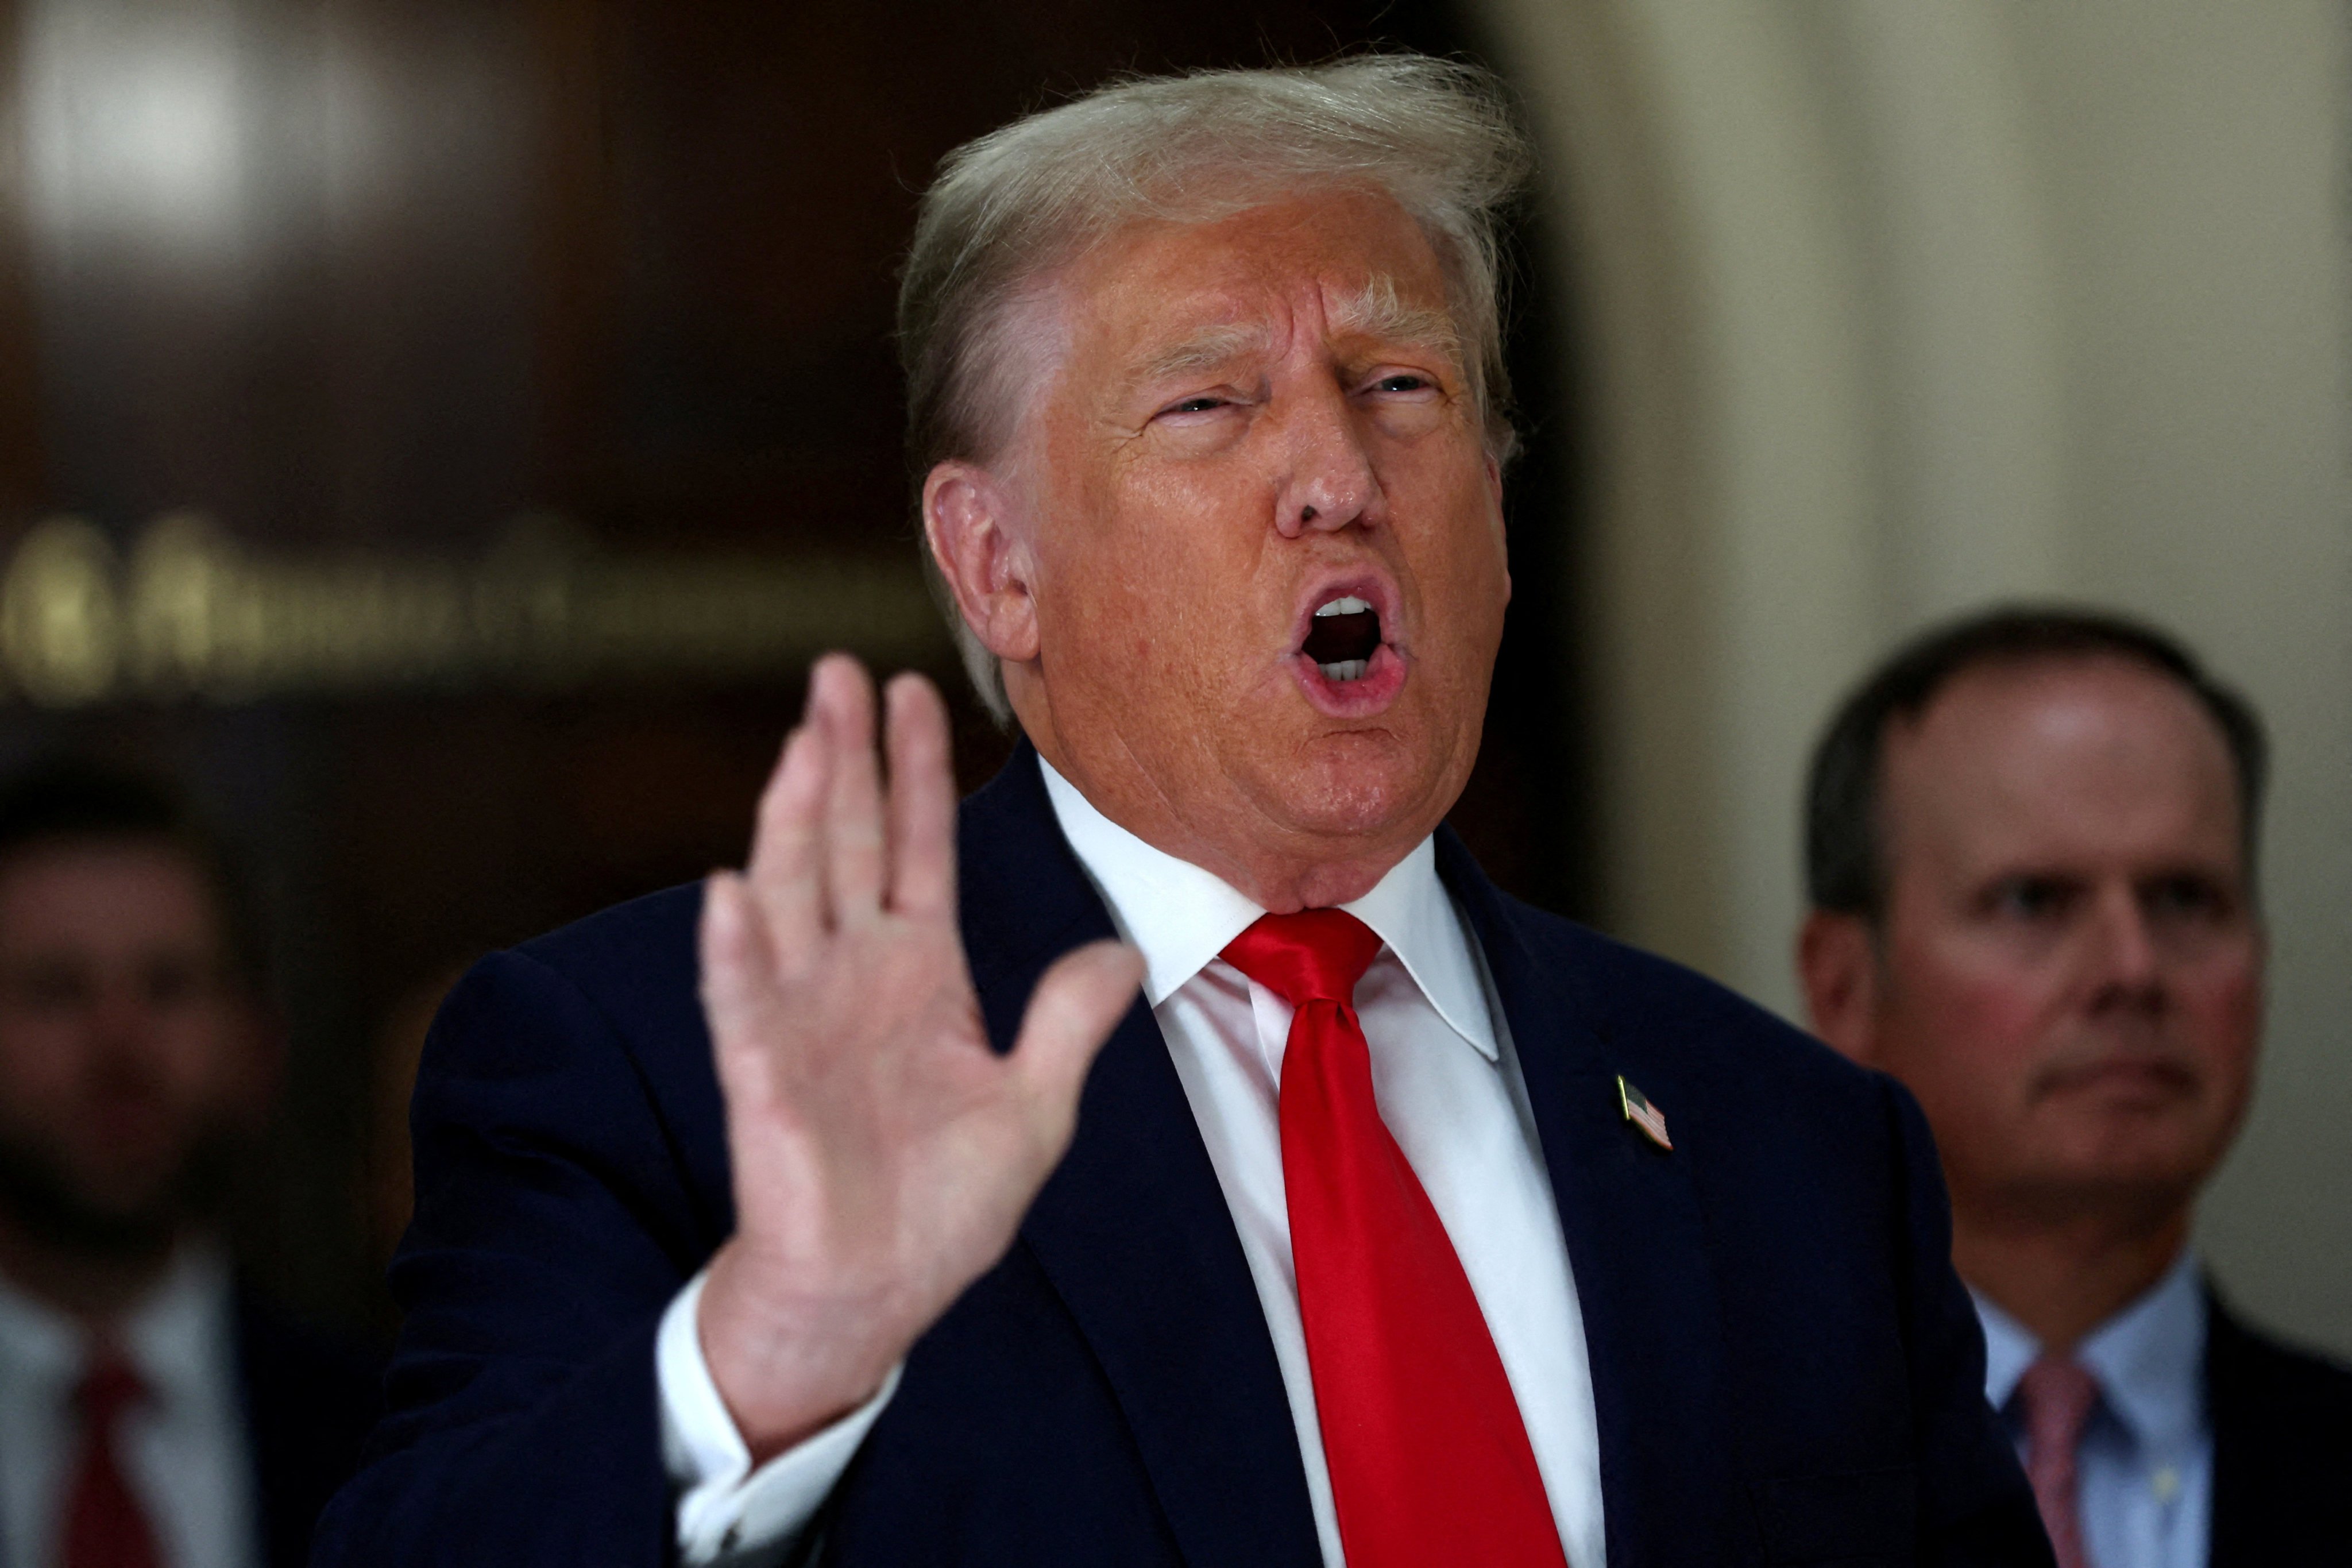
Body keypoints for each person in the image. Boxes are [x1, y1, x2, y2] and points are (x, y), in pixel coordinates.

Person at [320, 58, 2049, 1567]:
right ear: (999, 566)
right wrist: (773, 1352)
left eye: (1401, 386)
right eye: (1213, 402)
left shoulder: (1799, 1151)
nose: (1339, 477)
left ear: (1502, 528)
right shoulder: (643, 1078)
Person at [1797, 608, 2352, 1568]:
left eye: (2186, 897)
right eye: (2034, 900)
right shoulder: (1715, 1474)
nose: (2133, 969)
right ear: (1845, 985)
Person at [0, 759, 378, 1568]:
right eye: (56, 990)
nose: (120, 1045)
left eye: (168, 986)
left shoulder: (387, 1438)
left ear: (257, 1044)